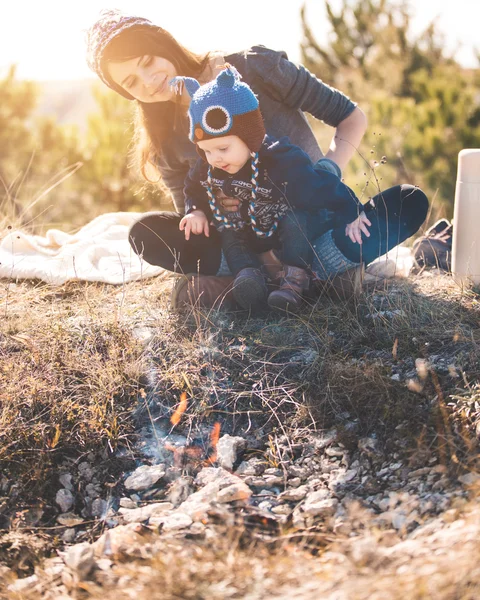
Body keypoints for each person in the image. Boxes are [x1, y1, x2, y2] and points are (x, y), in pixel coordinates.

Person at [85, 9, 429, 309]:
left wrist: (327, 170)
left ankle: (302, 272)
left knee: (405, 204)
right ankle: (296, 281)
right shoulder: (162, 138)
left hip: (310, 223)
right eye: (131, 81)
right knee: (147, 234)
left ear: (164, 45)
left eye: (147, 62)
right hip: (242, 242)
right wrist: (198, 213)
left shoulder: (256, 67)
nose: (148, 81)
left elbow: (352, 117)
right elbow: (191, 213)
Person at [171, 65, 368, 312]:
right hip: (248, 235)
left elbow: (321, 187)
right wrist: (196, 210)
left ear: (250, 136)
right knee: (230, 234)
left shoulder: (282, 159)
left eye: (223, 149)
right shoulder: (209, 166)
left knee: (296, 221)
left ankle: (295, 281)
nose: (215, 158)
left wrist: (352, 210)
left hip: (284, 235)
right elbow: (193, 188)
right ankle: (248, 280)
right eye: (206, 150)